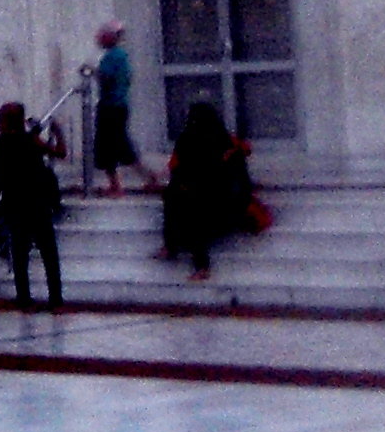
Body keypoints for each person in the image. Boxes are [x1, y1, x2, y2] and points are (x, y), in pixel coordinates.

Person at [0, 100, 67, 310]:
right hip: (38, 203)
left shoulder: (1, 144)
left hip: (15, 205)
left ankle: (25, 301)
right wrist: (58, 132)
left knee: (20, 256)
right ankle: (56, 301)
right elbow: (61, 152)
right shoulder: (32, 141)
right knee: (49, 254)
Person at [162, 99, 258, 282]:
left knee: (195, 208)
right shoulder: (186, 142)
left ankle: (202, 266)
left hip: (223, 205)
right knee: (176, 195)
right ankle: (170, 246)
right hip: (195, 199)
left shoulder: (229, 148)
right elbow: (178, 172)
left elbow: (242, 185)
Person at [87, 25, 147, 196]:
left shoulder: (113, 57)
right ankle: (147, 178)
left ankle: (116, 186)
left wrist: (92, 71)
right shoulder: (121, 56)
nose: (98, 39)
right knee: (121, 145)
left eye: (102, 35)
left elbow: (107, 79)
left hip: (110, 106)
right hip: (118, 105)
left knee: (108, 146)